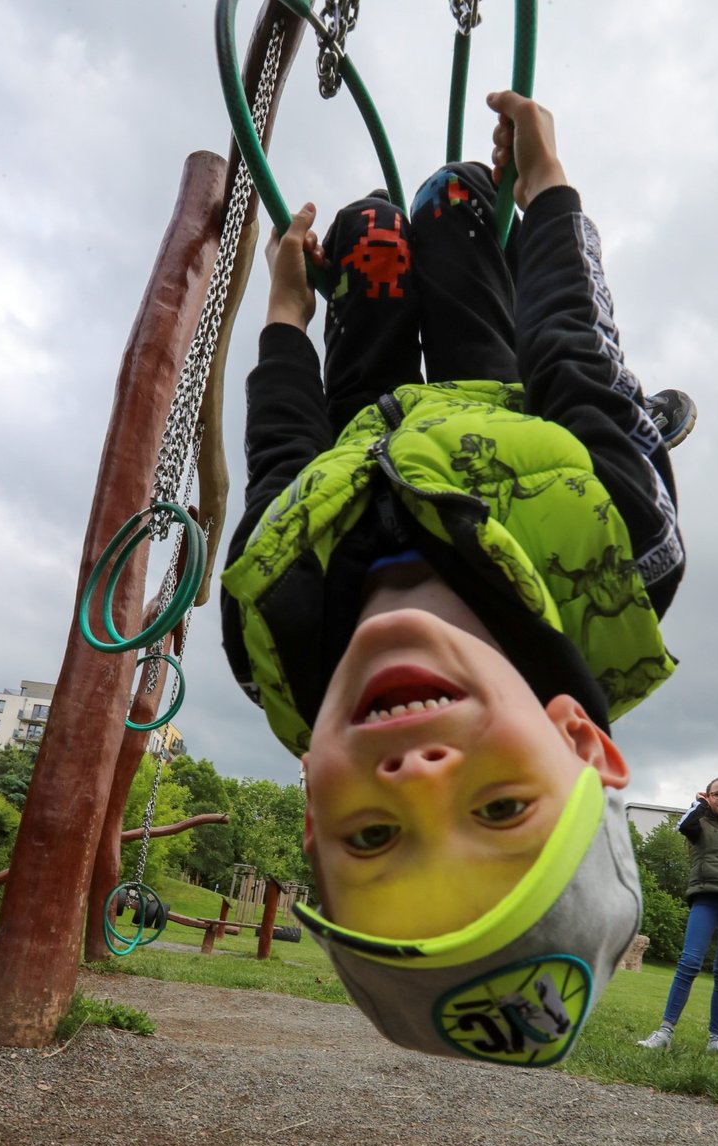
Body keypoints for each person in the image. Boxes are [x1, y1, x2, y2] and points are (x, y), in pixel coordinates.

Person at [220, 91, 686, 1065]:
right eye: (502, 807)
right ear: (579, 740)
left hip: (361, 431)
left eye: (374, 836)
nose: (422, 778)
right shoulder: (618, 552)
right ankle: (660, 417)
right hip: (506, 399)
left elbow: (279, 457)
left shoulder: (273, 626)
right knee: (450, 201)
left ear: (313, 817)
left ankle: (369, 269)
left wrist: (284, 315)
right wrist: (550, 186)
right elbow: (573, 346)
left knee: (371, 232)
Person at [637, 776, 718, 1056]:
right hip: (706, 897)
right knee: (689, 962)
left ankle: (716, 1040)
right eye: (717, 794)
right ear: (707, 797)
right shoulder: (699, 823)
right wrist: (698, 804)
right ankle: (664, 1031)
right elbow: (683, 825)